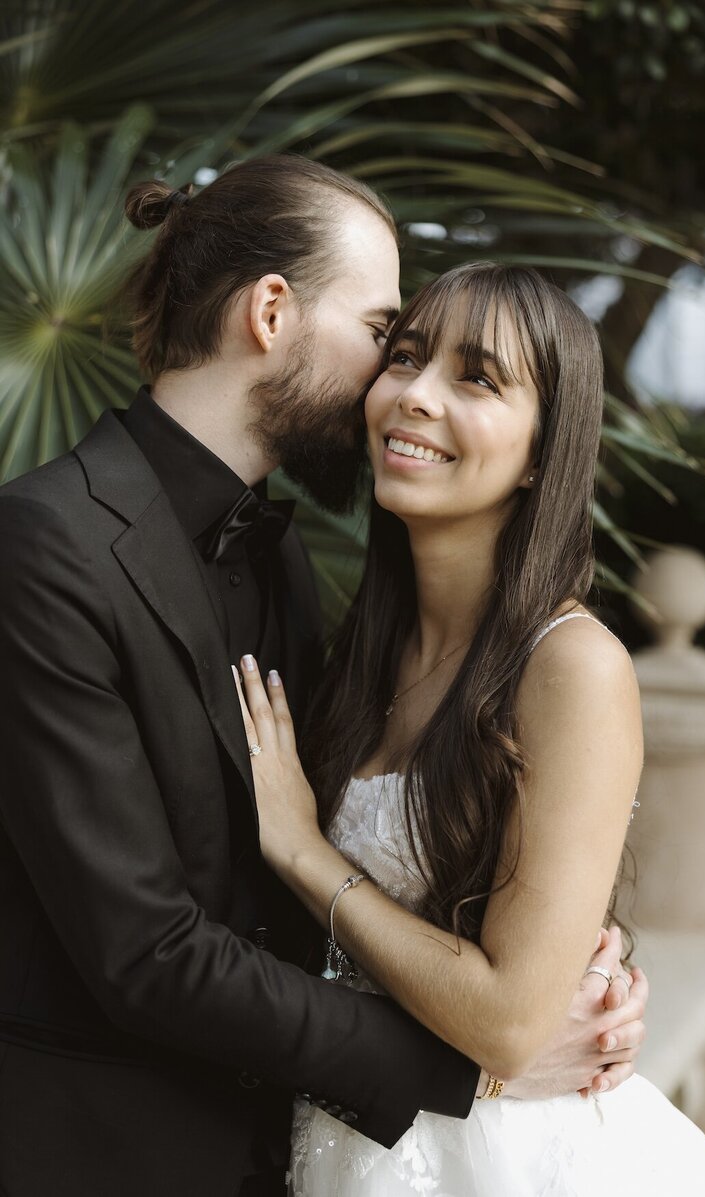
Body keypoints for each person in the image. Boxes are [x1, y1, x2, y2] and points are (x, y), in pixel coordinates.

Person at [0, 159, 647, 1197]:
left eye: (458, 372)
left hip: (300, 1143)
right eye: (387, 339)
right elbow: (146, 950)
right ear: (269, 312)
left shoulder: (280, 559)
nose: (394, 388)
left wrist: (564, 962)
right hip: (106, 1150)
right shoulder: (44, 545)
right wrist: (473, 1064)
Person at [234, 261, 705, 1194]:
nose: (415, 397)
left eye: (476, 378)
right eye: (405, 357)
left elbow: (511, 1022)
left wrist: (306, 854)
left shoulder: (572, 667)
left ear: (540, 452)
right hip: (352, 1133)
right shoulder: (356, 644)